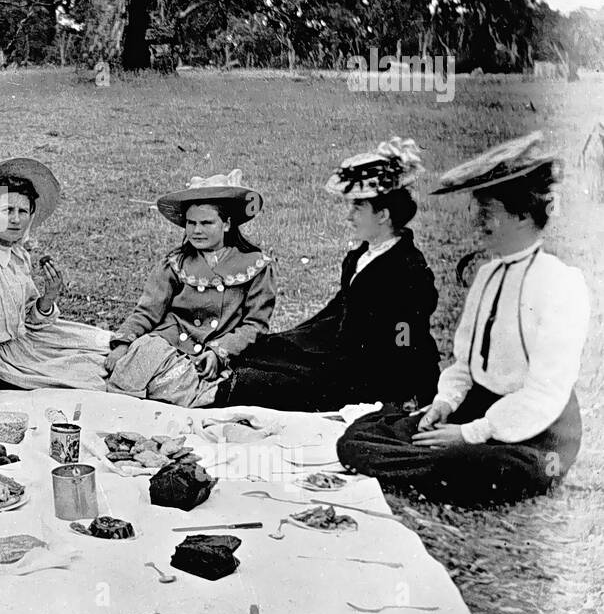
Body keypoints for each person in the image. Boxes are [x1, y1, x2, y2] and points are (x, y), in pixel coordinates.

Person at [337, 132, 589, 507]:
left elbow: (545, 394)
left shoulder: (561, 283)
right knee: (356, 441)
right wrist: (444, 405)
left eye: (488, 212)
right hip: (478, 408)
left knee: (482, 464)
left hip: (538, 433)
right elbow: (465, 366)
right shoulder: (487, 276)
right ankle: (432, 458)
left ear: (522, 216)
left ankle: (444, 463)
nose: (477, 222)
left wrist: (471, 433)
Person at [215, 137, 439, 410]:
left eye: (358, 207)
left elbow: (405, 338)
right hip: (342, 354)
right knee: (262, 351)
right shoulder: (361, 256)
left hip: (374, 376)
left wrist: (405, 394)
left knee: (257, 383)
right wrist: (294, 340)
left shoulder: (408, 272)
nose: (349, 216)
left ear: (383, 215)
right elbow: (339, 311)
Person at [0, 157, 110, 417]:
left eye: (23, 212)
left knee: (103, 347)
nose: (15, 220)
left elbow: (26, 318)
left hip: (25, 342)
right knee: (91, 377)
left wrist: (48, 298)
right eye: (7, 210)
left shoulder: (15, 253)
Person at [105, 170, 276, 407]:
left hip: (212, 357)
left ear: (226, 224)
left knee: (212, 396)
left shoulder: (255, 266)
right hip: (167, 345)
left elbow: (255, 324)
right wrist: (123, 343)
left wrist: (220, 352)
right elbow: (147, 311)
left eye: (206, 223)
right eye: (191, 223)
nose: (196, 230)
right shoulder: (176, 263)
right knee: (128, 387)